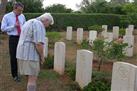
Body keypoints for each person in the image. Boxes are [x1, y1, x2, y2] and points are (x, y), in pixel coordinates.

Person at [16, 13, 54, 91]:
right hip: (30, 55)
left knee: (29, 77)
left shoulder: (29, 22)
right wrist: (42, 56)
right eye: (49, 24)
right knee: (32, 79)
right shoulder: (39, 24)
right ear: (46, 20)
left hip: (21, 54)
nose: (47, 26)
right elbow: (39, 43)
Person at [1, 2, 26, 82]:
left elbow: (25, 25)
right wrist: (14, 26)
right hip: (13, 38)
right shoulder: (7, 16)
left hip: (22, 37)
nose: (20, 12)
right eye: (19, 10)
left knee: (23, 55)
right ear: (14, 9)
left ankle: (24, 71)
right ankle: (15, 75)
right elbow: (3, 28)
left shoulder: (22, 16)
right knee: (13, 57)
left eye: (22, 10)